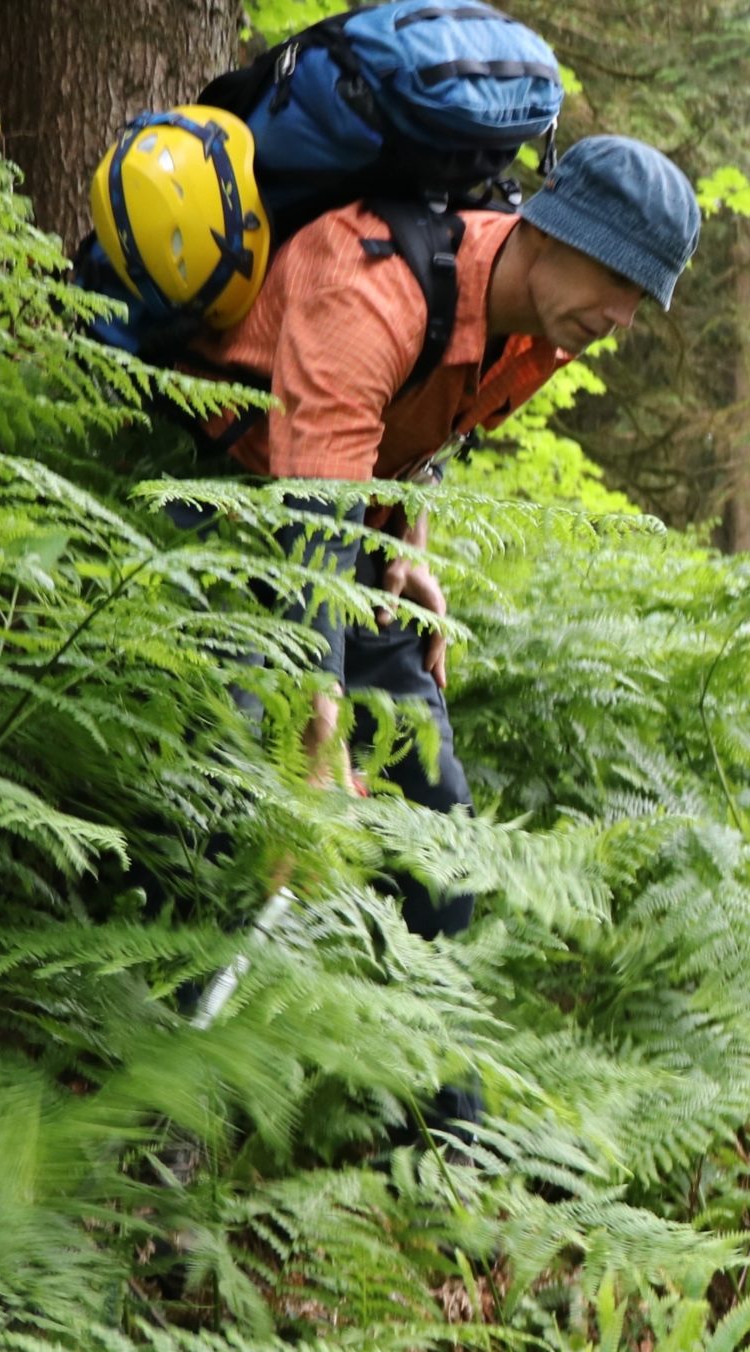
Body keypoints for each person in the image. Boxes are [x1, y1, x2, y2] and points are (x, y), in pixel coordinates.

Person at [185, 134, 701, 945]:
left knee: (441, 860)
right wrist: (318, 718)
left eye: (642, 296)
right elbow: (313, 512)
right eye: (619, 279)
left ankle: (418, 1060)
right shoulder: (371, 289)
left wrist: (410, 545)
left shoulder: (542, 328)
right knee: (237, 833)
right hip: (229, 527)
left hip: (352, 545)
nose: (623, 317)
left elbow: (424, 425)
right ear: (553, 230)